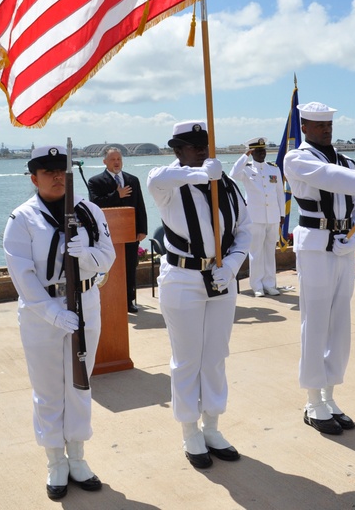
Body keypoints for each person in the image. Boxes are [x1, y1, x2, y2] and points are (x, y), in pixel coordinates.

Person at [3, 145, 116, 500]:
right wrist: (51, 312)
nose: (55, 177)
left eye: (60, 170)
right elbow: (21, 273)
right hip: (43, 313)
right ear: (33, 178)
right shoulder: (22, 218)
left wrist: (87, 255)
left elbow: (108, 258)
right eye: (47, 171)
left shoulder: (90, 211)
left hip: (85, 303)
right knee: (49, 389)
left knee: (80, 385)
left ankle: (78, 457)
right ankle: (55, 460)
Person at [146, 121, 252, 469]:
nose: (203, 151)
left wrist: (234, 263)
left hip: (220, 279)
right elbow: (156, 178)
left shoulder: (229, 186)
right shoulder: (170, 186)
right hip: (182, 278)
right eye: (193, 146)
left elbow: (244, 230)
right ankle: (189, 430)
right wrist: (198, 175)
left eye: (205, 145)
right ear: (178, 151)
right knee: (187, 358)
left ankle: (212, 426)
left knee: (216, 355)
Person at [283, 102, 355, 436]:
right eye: (319, 126)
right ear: (304, 127)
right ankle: (312, 399)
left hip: (342, 245)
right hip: (315, 243)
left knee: (340, 322)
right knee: (316, 320)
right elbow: (329, 178)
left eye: (329, 126)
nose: (326, 131)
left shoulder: (348, 161)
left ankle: (330, 394)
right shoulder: (298, 158)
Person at [86, 147, 148, 313]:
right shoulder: (95, 181)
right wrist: (116, 195)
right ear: (105, 162)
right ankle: (109, 302)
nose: (116, 162)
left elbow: (140, 205)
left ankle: (129, 301)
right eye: (112, 159)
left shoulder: (132, 180)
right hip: (107, 236)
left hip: (129, 234)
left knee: (130, 267)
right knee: (109, 269)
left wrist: (142, 229)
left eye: (119, 159)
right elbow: (95, 203)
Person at [230, 136, 286, 297]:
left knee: (269, 252)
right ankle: (257, 286)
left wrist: (282, 214)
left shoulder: (273, 169)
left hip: (273, 217)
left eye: (263, 150)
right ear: (252, 152)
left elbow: (279, 194)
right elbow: (233, 174)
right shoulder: (246, 169)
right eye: (258, 151)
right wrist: (245, 155)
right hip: (255, 217)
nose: (262, 153)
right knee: (256, 253)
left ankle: (270, 284)